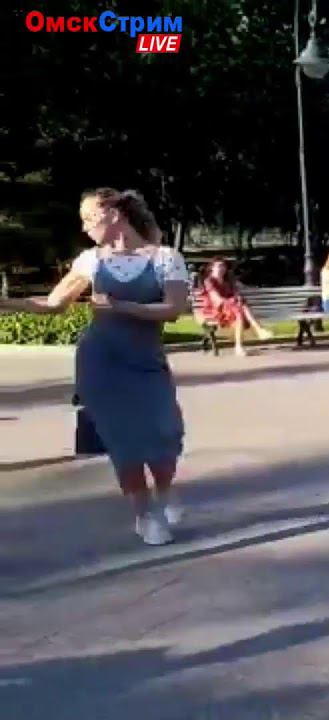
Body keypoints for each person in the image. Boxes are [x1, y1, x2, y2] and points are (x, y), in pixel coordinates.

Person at [0, 189, 189, 546]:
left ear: (114, 214)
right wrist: (6, 304)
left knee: (164, 433)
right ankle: (144, 514)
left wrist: (121, 306)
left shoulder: (166, 258)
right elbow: (53, 304)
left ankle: (164, 494)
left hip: (145, 361)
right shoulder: (90, 260)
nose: (85, 228)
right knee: (123, 440)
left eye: (89, 218)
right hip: (100, 361)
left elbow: (174, 309)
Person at [197, 258, 274, 356]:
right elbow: (216, 300)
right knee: (239, 308)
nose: (222, 268)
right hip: (214, 310)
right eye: (219, 266)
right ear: (212, 268)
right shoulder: (209, 281)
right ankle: (257, 330)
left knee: (240, 307)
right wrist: (233, 301)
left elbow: (236, 293)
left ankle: (241, 345)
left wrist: (237, 298)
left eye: (223, 266)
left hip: (230, 308)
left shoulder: (228, 281)